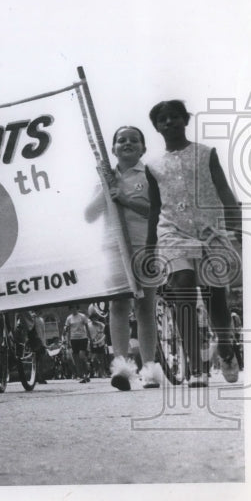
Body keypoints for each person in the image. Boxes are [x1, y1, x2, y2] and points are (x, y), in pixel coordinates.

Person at [145, 100, 242, 387]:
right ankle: (196, 366)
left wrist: (235, 222)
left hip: (210, 232)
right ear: (157, 127)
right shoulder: (153, 166)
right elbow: (154, 208)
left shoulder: (206, 153)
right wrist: (151, 247)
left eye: (175, 117)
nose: (169, 123)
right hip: (173, 234)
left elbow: (224, 188)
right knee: (183, 287)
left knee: (216, 297)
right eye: (162, 119)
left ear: (186, 120)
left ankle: (225, 349)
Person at [84, 126, 162, 390]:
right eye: (121, 140)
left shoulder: (150, 175)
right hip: (114, 248)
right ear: (113, 148)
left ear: (143, 148)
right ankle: (121, 368)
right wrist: (106, 189)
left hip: (145, 246)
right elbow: (89, 215)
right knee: (119, 305)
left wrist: (126, 199)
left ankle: (150, 369)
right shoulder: (104, 178)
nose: (127, 143)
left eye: (133, 140)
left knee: (145, 307)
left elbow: (157, 212)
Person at [64, 304, 92, 382]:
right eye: (72, 308)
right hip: (73, 339)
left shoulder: (82, 316)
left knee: (81, 356)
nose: (73, 309)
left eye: (75, 307)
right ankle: (81, 375)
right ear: (70, 309)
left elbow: (87, 327)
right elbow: (68, 330)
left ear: (77, 308)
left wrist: (90, 338)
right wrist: (68, 341)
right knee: (76, 358)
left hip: (83, 338)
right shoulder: (69, 318)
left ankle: (86, 372)